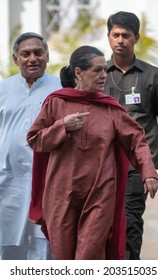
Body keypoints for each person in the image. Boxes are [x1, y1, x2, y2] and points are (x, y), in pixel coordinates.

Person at [26, 45, 158, 260]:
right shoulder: (56, 103)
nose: (103, 76)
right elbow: (34, 140)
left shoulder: (110, 108)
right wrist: (62, 126)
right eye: (97, 70)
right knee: (64, 259)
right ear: (78, 73)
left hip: (100, 193)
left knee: (88, 258)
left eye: (104, 71)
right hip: (61, 195)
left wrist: (149, 172)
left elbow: (136, 140)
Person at [104, 11, 158, 260]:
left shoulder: (153, 75)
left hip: (137, 164)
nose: (120, 40)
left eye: (126, 35)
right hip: (102, 163)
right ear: (108, 36)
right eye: (115, 35)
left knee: (130, 220)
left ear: (136, 38)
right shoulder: (98, 73)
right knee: (103, 224)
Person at [0, 32, 61, 260]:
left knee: (43, 244)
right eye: (25, 54)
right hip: (9, 180)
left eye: (38, 53)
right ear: (16, 59)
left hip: (47, 179)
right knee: (7, 242)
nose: (32, 58)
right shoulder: (3, 89)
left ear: (47, 56)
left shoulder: (61, 88)